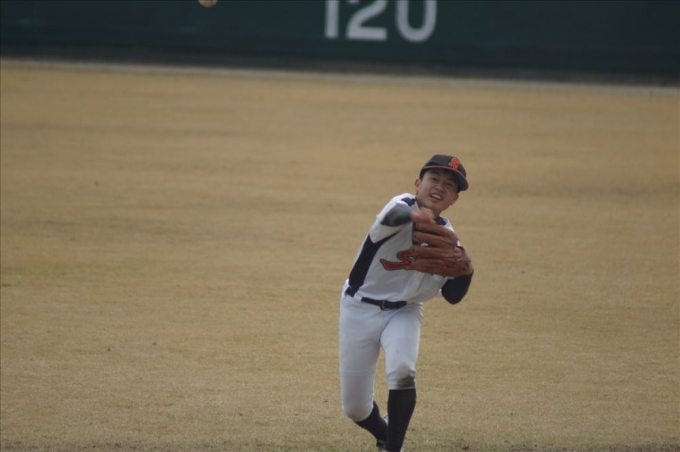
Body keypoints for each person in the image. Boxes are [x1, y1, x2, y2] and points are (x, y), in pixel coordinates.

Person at [338, 154, 475, 451]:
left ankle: (394, 447)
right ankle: (384, 434)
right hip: (358, 308)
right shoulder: (400, 205)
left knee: (402, 371)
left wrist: (467, 272)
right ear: (418, 183)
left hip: (404, 311)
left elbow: (453, 297)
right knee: (355, 408)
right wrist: (415, 217)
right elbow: (393, 217)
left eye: (449, 185)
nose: (439, 187)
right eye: (434, 179)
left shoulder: (449, 239)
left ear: (454, 199)